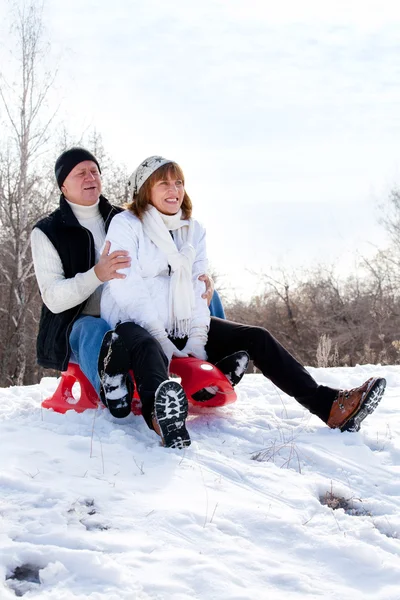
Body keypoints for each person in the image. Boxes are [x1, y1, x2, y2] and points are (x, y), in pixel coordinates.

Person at [101, 155, 387, 448]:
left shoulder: (193, 230)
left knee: (256, 337)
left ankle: (328, 406)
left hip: (184, 320)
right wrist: (161, 338)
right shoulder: (126, 225)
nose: (174, 189)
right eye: (164, 183)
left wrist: (197, 343)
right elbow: (127, 287)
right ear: (145, 189)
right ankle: (163, 422)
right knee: (148, 347)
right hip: (135, 321)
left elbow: (199, 292)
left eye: (179, 182)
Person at [31, 148, 218, 434]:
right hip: (77, 319)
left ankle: (208, 370)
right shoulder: (48, 231)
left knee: (205, 296)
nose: (90, 177)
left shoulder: (126, 217)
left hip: (131, 308)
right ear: (63, 185)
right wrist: (97, 275)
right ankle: (113, 388)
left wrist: (201, 277)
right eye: (80, 173)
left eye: (94, 171)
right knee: (94, 329)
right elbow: (54, 299)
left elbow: (174, 264)